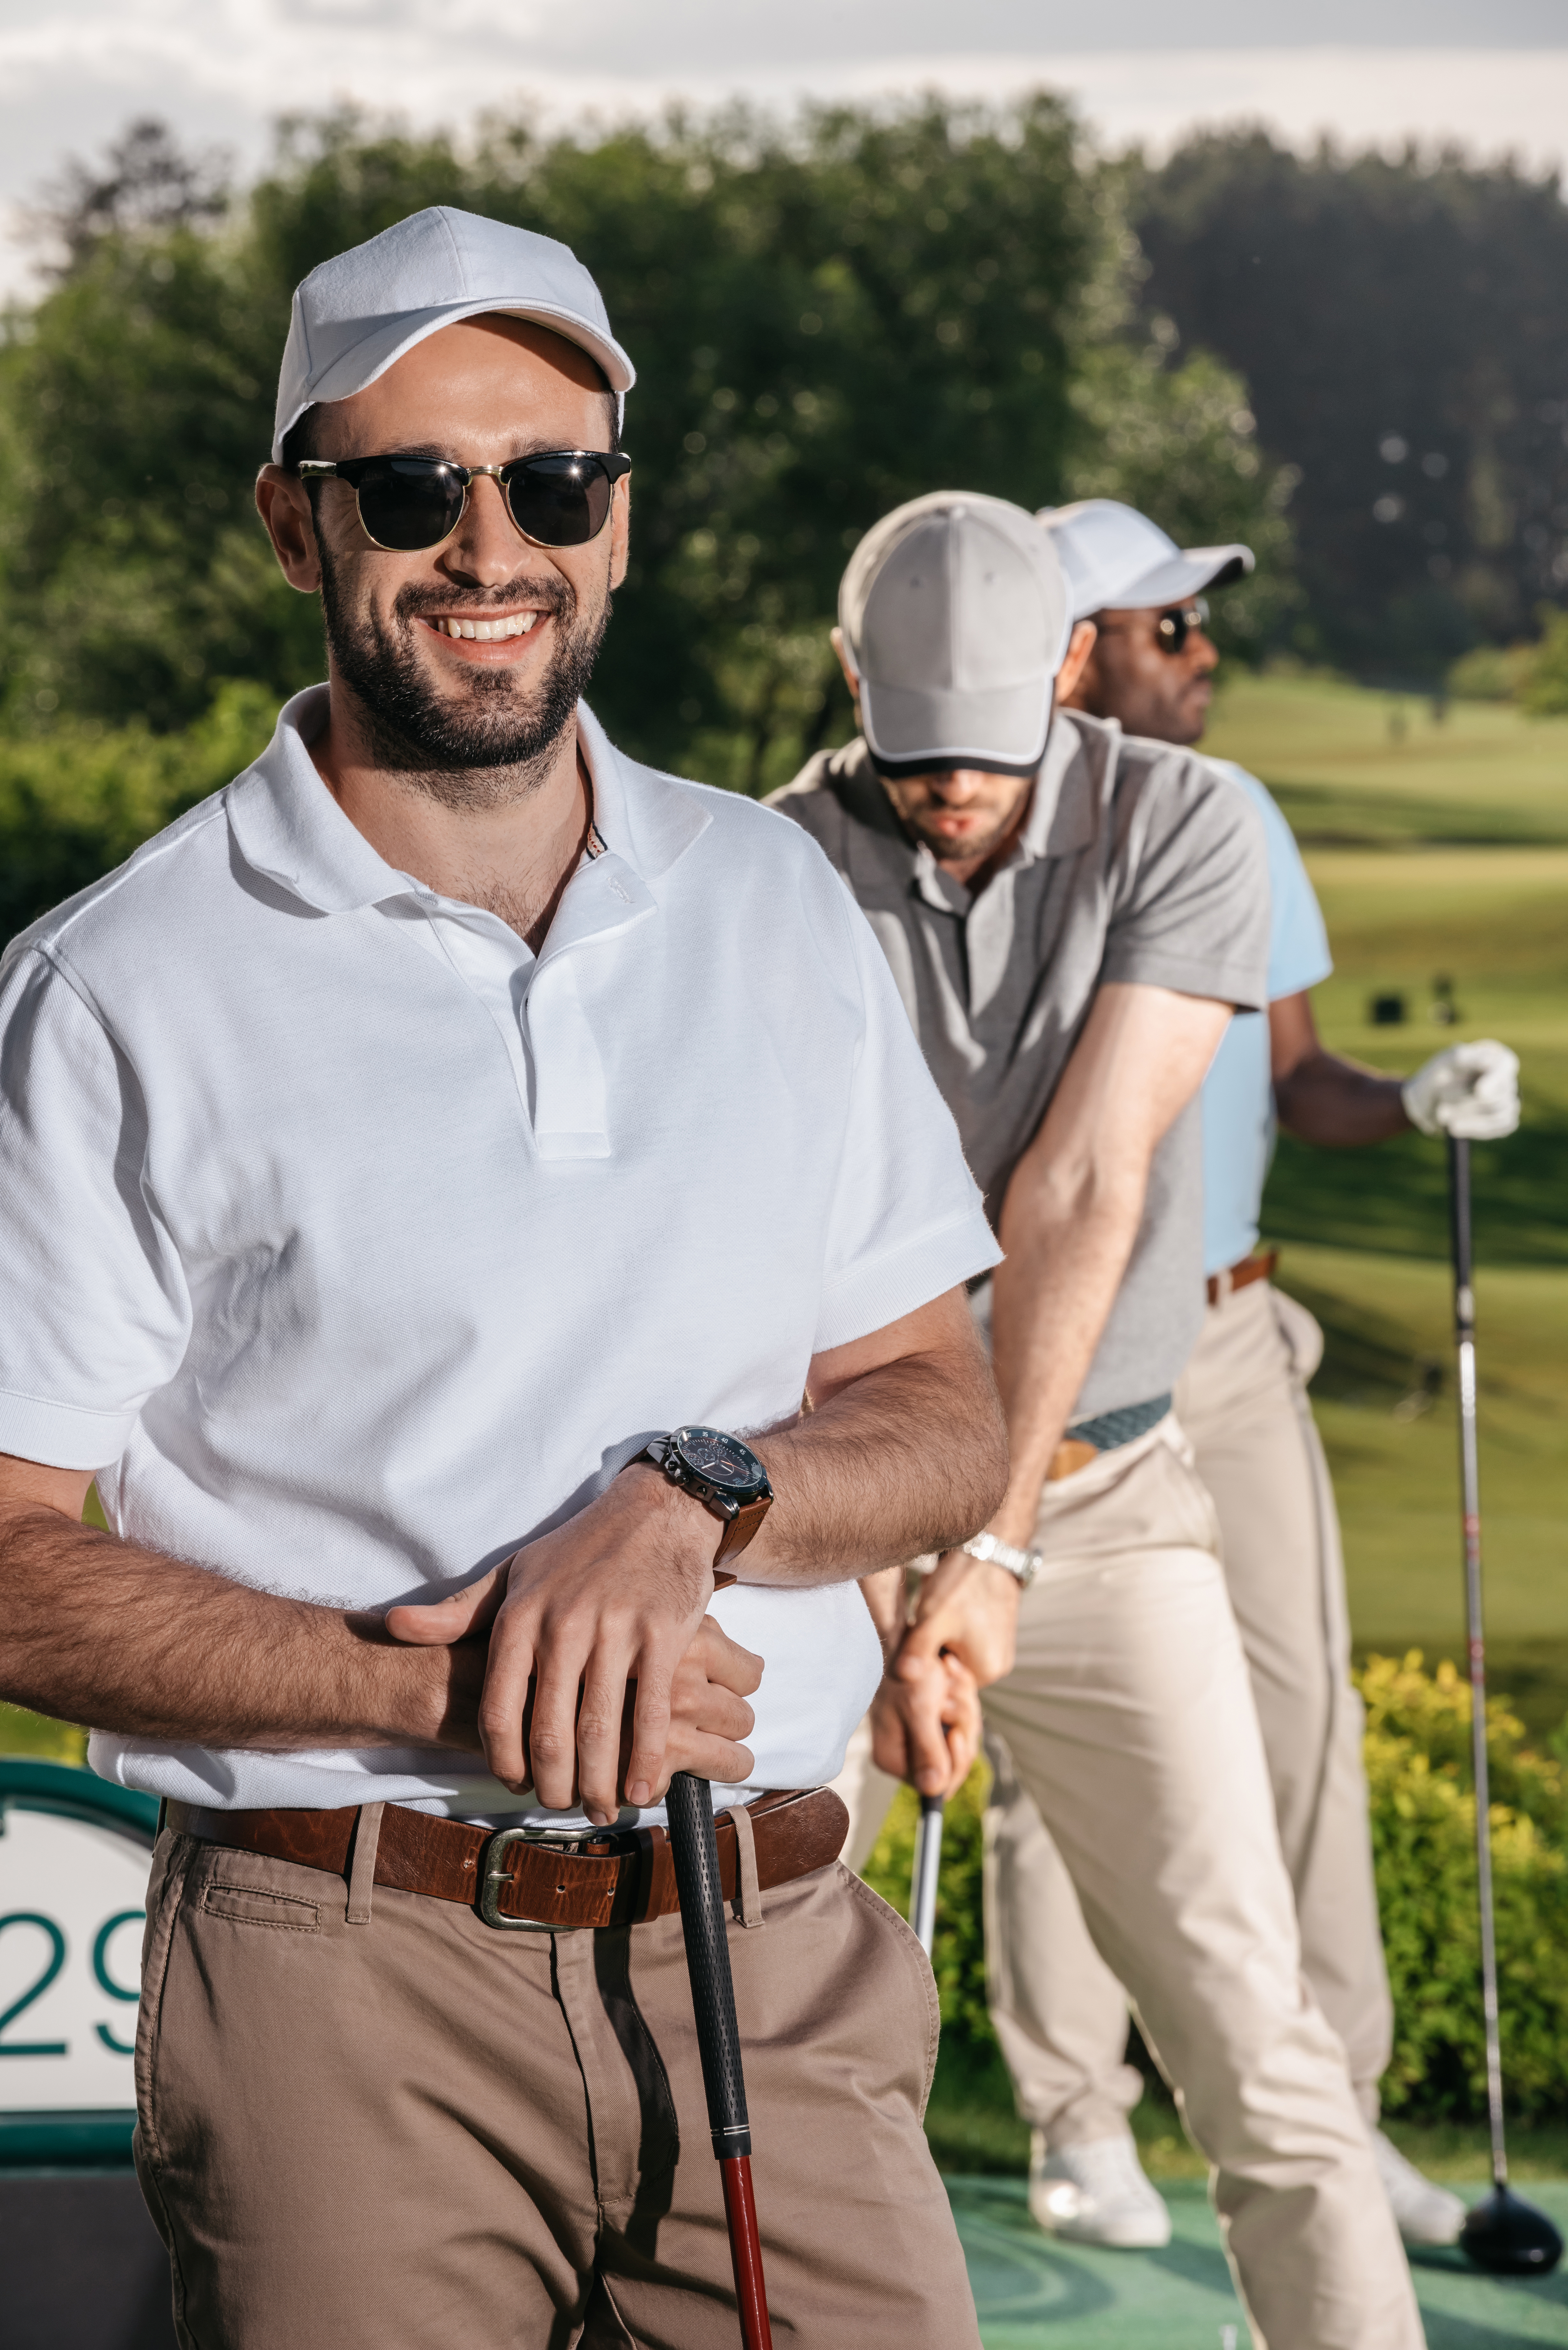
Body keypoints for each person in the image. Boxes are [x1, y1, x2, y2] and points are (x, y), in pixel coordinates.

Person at [0, 209, 1013, 2350]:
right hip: (335, 1979)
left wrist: (692, 1496)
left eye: (552, 482)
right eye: (411, 488)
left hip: (775, 1950)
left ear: (619, 525)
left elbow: (943, 1412)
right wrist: (433, 1690)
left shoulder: (776, 904)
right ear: (298, 526)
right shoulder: (112, 987)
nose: (492, 547)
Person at [771, 491, 1425, 2349]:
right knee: (745, 2017)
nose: (952, 793)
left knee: (1259, 2048)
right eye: (915, 757)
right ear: (854, 687)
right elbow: (776, 1221)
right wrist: (889, 1556)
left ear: (1070, 667)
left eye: (989, 752)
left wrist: (989, 1545)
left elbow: (1081, 1190)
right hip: (828, 1526)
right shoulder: (767, 866)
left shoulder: (1187, 823)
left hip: (1099, 1502)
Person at [1000, 494, 1518, 2248]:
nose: (1205, 656)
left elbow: (1296, 1078)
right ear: (1074, 654)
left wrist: (1416, 1097)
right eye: (1172, 631)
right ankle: (1082, 2120)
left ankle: (1339, 2111)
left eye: (1203, 630)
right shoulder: (1003, 842)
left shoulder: (1240, 820)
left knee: (1301, 1714)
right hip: (1052, 1358)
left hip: (1231, 1335)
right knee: (1045, 1739)